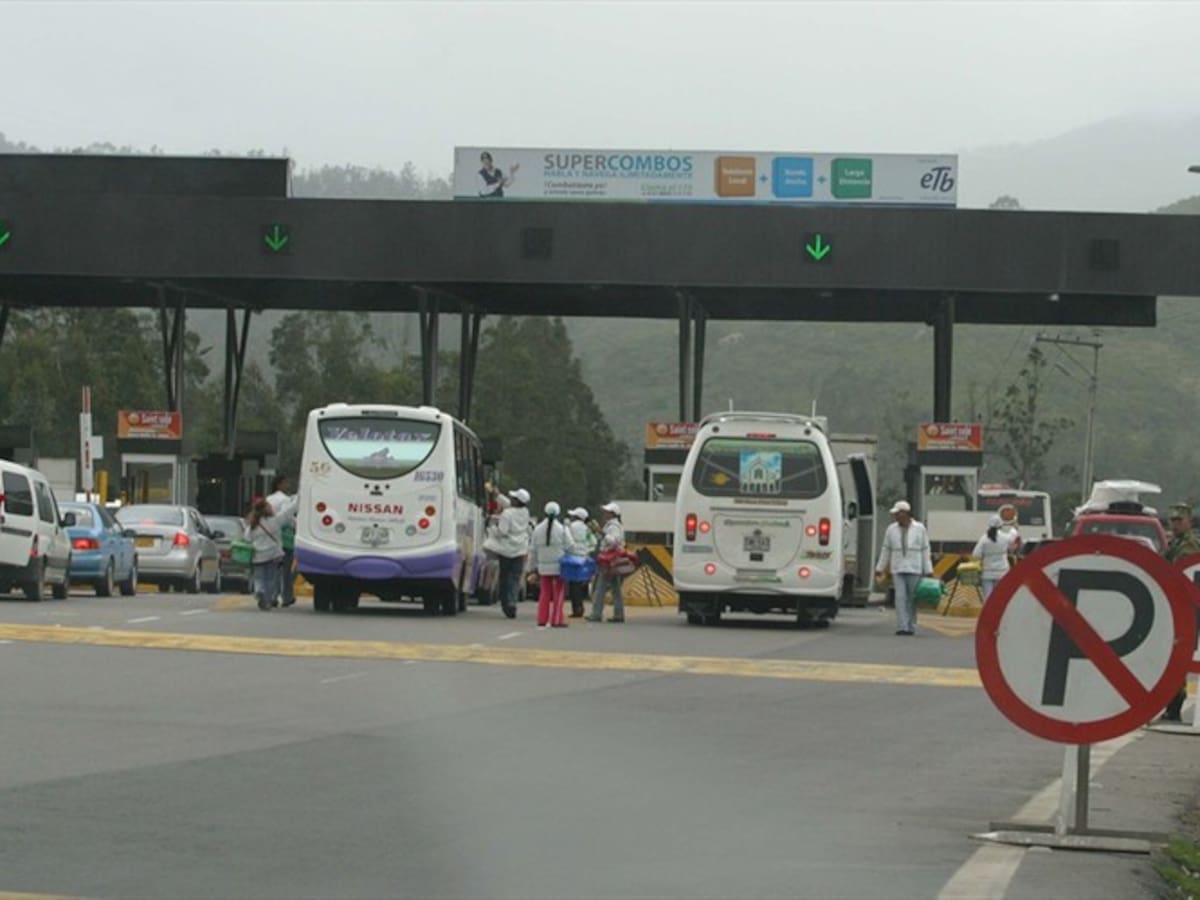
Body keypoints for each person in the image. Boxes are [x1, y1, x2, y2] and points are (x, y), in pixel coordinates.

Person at [1161, 503, 1200, 721]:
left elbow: (1181, 572)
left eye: (1179, 521)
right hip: (1178, 608)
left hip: (1188, 609)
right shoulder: (1175, 543)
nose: (1175, 525)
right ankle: (1172, 706)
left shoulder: (1190, 545)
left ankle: (1175, 706)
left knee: (1180, 658)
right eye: (1172, 521)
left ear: (1189, 522)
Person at [874, 500, 933, 636]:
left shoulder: (920, 528)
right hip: (898, 567)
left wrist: (928, 570)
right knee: (900, 597)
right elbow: (886, 550)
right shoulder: (891, 529)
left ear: (905, 513)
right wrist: (880, 568)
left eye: (898, 513)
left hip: (914, 567)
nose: (896, 516)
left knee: (912, 598)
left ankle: (911, 624)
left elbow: (925, 549)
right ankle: (902, 626)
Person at [490, 487, 532, 619]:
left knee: (505, 578)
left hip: (506, 550)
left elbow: (502, 531)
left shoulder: (507, 514)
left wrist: (492, 528)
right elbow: (509, 505)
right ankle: (512, 602)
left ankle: (505, 603)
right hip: (520, 550)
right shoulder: (525, 512)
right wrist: (498, 496)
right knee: (515, 578)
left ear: (516, 501)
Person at [530, 501, 572, 628]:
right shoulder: (562, 529)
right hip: (558, 566)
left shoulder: (537, 529)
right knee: (558, 593)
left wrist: (533, 567)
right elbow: (570, 545)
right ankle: (556, 619)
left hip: (543, 566)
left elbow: (533, 549)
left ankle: (542, 619)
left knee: (544, 592)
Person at [587, 502, 626, 623]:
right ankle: (619, 614)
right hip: (613, 560)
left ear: (612, 514)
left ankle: (596, 614)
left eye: (606, 512)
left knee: (601, 587)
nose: (604, 513)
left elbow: (612, 541)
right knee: (615, 589)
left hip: (609, 560)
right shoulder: (612, 525)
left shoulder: (613, 526)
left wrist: (601, 531)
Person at [245, 496, 284, 611]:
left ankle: (259, 591)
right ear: (265, 509)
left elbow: (247, 538)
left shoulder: (253, 524)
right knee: (270, 578)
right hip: (272, 554)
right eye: (269, 506)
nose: (271, 507)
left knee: (259, 577)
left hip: (258, 555)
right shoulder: (274, 521)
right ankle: (267, 599)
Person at [266, 475, 299, 607]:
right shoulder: (285, 500)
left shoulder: (268, 499)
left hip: (270, 539)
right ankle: (287, 596)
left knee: (273, 570)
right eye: (285, 483)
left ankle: (272, 596)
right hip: (286, 539)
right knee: (286, 571)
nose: (287, 485)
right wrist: (297, 526)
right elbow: (288, 517)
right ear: (279, 484)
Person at [972, 515, 1015, 601]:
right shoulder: (1005, 537)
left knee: (988, 599)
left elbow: (976, 555)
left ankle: (988, 614)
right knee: (1000, 598)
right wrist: (1014, 528)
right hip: (1002, 572)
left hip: (987, 573)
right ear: (1001, 525)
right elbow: (1013, 541)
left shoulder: (984, 538)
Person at [565, 506, 597, 618]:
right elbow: (593, 542)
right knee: (579, 584)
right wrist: (585, 550)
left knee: (573, 584)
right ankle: (580, 607)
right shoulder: (587, 529)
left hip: (572, 557)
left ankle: (577, 609)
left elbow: (566, 540)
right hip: (583, 558)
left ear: (576, 517)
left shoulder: (571, 527)